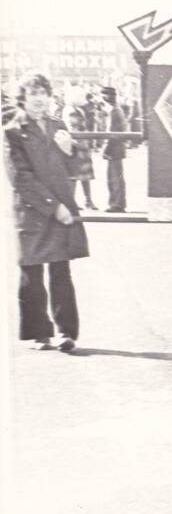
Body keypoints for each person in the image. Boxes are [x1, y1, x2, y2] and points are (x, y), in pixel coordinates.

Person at [4, 74, 90, 352]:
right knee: (31, 273)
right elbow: (21, 178)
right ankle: (40, 333)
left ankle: (67, 332)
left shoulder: (59, 125)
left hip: (61, 207)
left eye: (44, 93)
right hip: (32, 211)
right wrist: (54, 207)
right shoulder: (12, 132)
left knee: (61, 270)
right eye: (33, 94)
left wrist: (70, 151)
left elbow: (79, 169)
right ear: (23, 98)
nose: (40, 99)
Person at [63, 86, 97, 209]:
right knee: (75, 176)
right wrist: (81, 143)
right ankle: (73, 201)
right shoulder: (71, 111)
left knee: (83, 176)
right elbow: (73, 129)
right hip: (78, 148)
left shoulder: (77, 110)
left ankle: (88, 201)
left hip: (82, 147)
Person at [101, 86, 127, 212]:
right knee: (115, 177)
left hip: (114, 149)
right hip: (117, 149)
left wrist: (106, 150)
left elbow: (112, 132)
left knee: (115, 178)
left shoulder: (114, 112)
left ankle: (116, 204)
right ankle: (117, 203)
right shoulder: (117, 110)